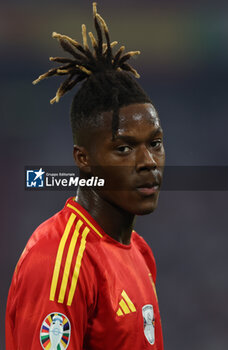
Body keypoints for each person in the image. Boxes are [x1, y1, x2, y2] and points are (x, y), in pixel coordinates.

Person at [5, 3, 165, 349]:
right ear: (84, 160)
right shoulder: (59, 261)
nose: (148, 161)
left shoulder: (139, 251)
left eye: (155, 143)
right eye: (123, 148)